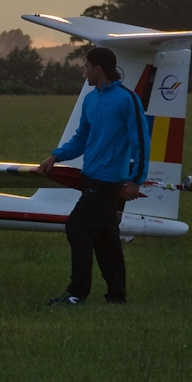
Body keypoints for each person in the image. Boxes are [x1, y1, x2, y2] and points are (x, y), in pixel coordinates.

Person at [36, 47, 150, 306]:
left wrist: (136, 179)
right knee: (106, 237)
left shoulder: (126, 99)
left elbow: (140, 141)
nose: (84, 71)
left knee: (77, 227)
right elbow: (81, 139)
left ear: (99, 69)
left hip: (108, 182)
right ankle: (117, 295)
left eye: (86, 66)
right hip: (90, 179)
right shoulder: (91, 99)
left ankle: (77, 293)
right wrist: (56, 157)